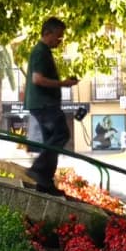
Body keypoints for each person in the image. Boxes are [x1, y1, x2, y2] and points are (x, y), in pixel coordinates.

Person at [24, 17, 78, 196]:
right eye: (58, 37)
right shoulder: (40, 52)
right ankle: (38, 170)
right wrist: (63, 83)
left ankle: (45, 184)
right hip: (44, 104)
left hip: (42, 103)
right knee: (61, 134)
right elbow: (37, 79)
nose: (59, 41)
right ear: (47, 33)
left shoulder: (43, 51)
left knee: (52, 143)